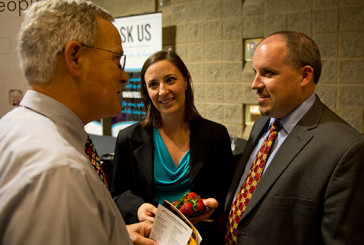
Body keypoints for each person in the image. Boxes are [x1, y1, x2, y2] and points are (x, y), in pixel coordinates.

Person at [0, 1, 157, 244]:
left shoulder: (13, 127)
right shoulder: (60, 171)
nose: (124, 77)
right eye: (117, 60)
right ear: (75, 58)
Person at [224, 30, 364, 245]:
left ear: (304, 76)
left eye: (268, 73)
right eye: (255, 72)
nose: (254, 84)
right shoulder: (262, 124)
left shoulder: (346, 149)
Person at [111, 50, 235, 244]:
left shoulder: (217, 135)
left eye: (170, 80)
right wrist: (139, 208)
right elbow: (118, 193)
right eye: (153, 84)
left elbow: (226, 191)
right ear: (146, 91)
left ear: (185, 81)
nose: (162, 91)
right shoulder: (128, 138)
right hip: (151, 238)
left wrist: (212, 205)